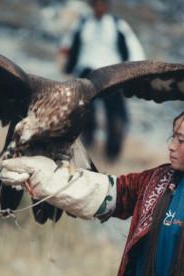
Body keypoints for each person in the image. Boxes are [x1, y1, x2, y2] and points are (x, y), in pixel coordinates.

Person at [0, 100, 184, 276]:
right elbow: (106, 192)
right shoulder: (155, 180)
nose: (171, 146)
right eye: (172, 137)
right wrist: (46, 177)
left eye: (181, 140)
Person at [58, 0, 146, 161]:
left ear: (107, 6)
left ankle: (112, 155)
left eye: (102, 4)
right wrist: (67, 68)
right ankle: (88, 150)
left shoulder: (118, 25)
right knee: (84, 114)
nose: (99, 8)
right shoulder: (82, 24)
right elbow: (67, 47)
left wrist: (132, 74)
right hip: (86, 73)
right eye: (96, 4)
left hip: (111, 74)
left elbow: (134, 50)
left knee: (116, 116)